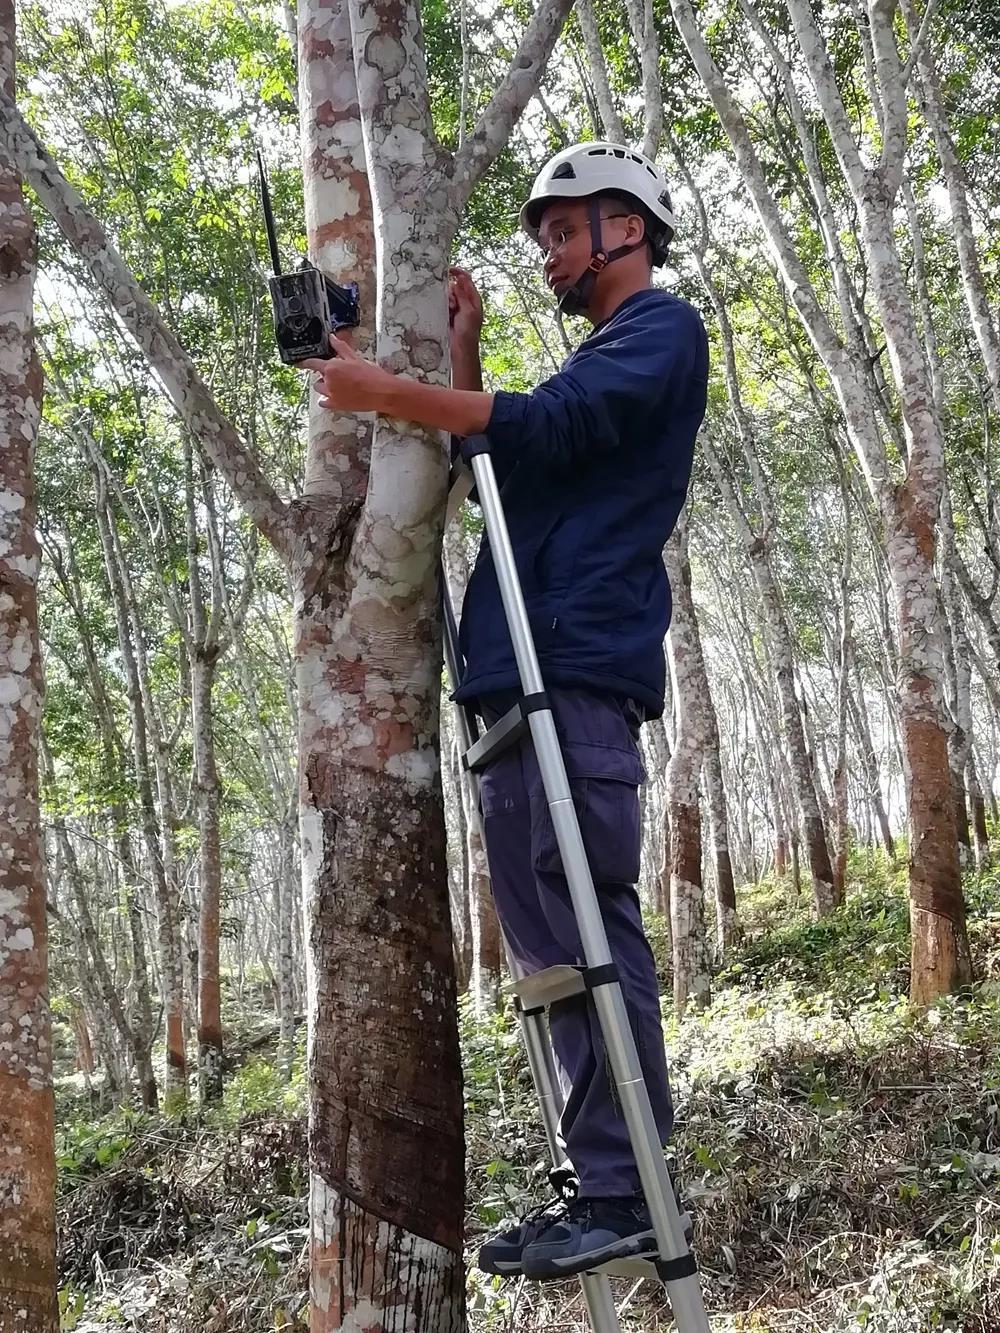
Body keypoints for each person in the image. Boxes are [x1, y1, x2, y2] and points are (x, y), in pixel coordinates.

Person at [301, 142, 709, 1280]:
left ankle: (629, 1188)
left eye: (562, 230)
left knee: (586, 932)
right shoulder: (599, 353)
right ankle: (602, 1180)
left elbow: (553, 425)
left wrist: (386, 388)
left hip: (571, 668)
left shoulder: (659, 329)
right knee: (548, 951)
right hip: (513, 679)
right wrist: (460, 351)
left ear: (625, 225)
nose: (548, 252)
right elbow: (505, 455)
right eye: (541, 236)